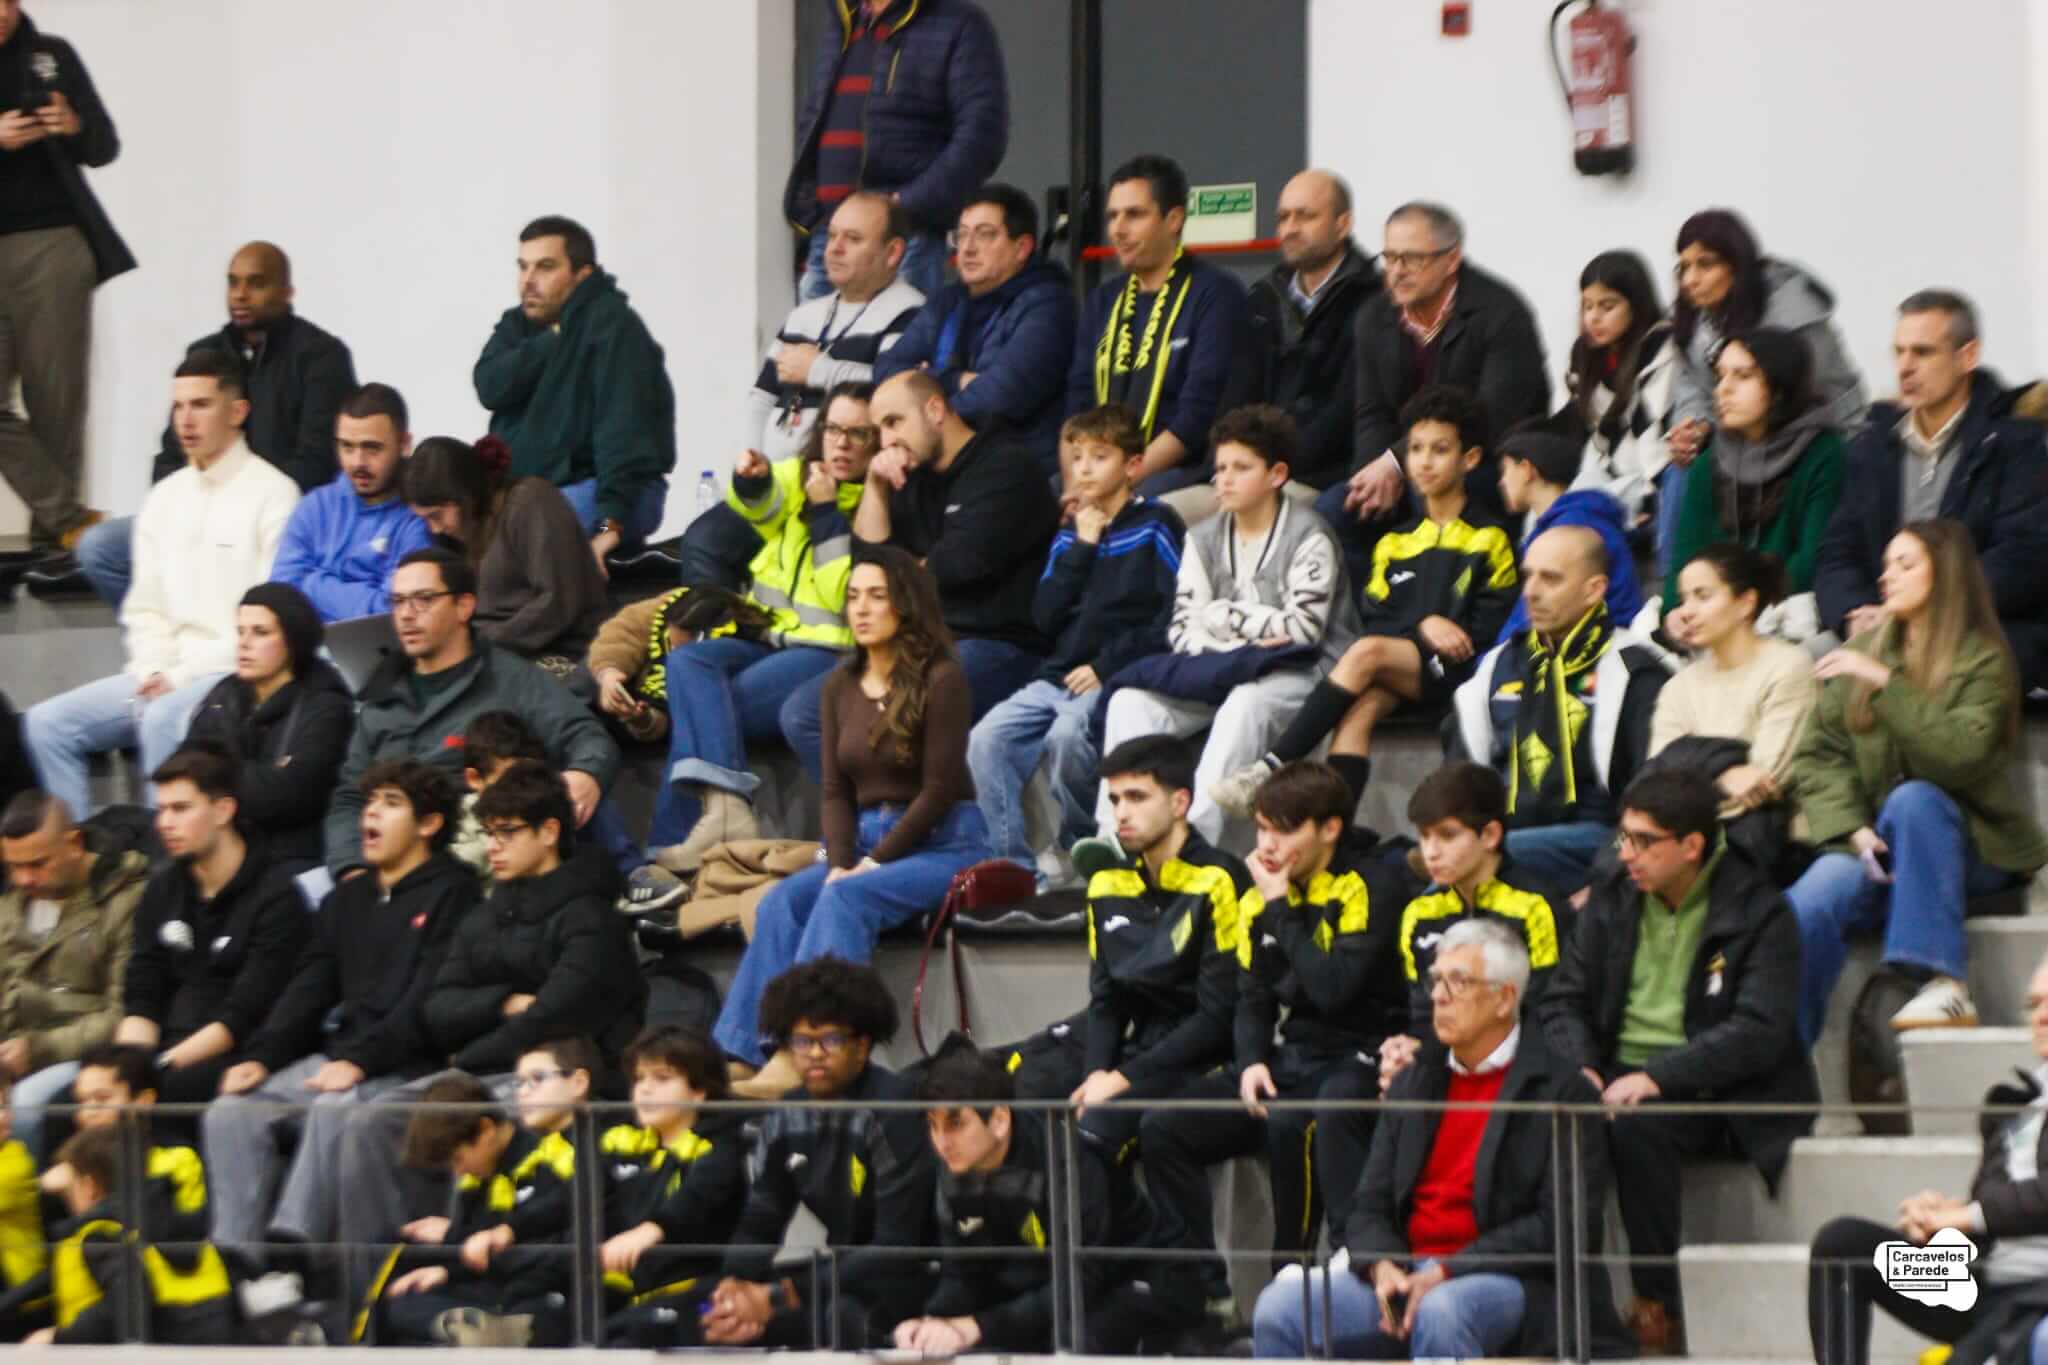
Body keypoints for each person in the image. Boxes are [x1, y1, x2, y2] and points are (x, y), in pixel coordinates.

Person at [1248, 918, 1629, 1361]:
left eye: (1458, 982)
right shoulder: (1415, 1081)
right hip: (1406, 1270)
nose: (1438, 996)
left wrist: (1447, 1270)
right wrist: (1382, 1265)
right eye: (1436, 980)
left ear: (1505, 998)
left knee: (1442, 1312)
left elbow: (1562, 1225)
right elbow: (1369, 1203)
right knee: (1280, 1308)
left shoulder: (1562, 1092)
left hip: (1509, 1280)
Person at [1537, 768, 1816, 1354]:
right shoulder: (1612, 893)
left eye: (1643, 841)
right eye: (1623, 838)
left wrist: (1657, 1077)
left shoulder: (1758, 910)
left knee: (1639, 1128)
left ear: (1691, 846)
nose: (1626, 854)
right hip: (1616, 1073)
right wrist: (1583, 1066)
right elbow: (1563, 997)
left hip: (1723, 1091)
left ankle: (1657, 1300)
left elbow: (1757, 1032)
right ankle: (1559, 1303)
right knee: (1548, 1116)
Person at [332, 761, 644, 1282]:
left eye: (507, 833)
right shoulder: (485, 913)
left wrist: (472, 1054)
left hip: (567, 1083)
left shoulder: (592, 918)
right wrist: (502, 1001)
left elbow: (555, 1015)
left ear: (549, 832)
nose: (493, 846)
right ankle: (374, 1283)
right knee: (370, 1119)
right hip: (487, 1071)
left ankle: (462, 1272)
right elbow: (438, 1008)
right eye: (488, 833)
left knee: (466, 1117)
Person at [1140, 762, 1415, 1315]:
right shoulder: (1260, 895)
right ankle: (1200, 1295)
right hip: (1296, 1054)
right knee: (1163, 1127)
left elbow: (1332, 987)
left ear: (1329, 829)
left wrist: (1281, 909)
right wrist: (1250, 1062)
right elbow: (1253, 996)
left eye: (1283, 830)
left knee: (1297, 1120)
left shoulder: (1369, 886)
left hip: (1362, 1050)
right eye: (1262, 828)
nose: (1267, 845)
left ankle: (1299, 1278)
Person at [712, 550, 992, 1079]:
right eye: (854, 596)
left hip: (944, 841)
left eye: (877, 596)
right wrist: (843, 858)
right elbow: (836, 793)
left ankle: (811, 1048)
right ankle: (743, 1052)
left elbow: (938, 790)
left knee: (845, 895)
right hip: (865, 839)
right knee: (780, 903)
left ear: (905, 605)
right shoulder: (838, 685)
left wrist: (871, 864)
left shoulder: (942, 677)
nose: (861, 609)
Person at [202, 759, 477, 1264]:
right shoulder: (347, 899)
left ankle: (297, 1252)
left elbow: (429, 1001)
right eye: (370, 802)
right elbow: (309, 988)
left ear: (429, 824)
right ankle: (235, 1262)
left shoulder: (456, 892)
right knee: (231, 1111)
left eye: (391, 803)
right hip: (337, 1058)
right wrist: (262, 1056)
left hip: (411, 1067)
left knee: (337, 1107)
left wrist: (362, 1063)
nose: (371, 814)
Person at [1785, 520, 2047, 1041]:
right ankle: (1787, 1052)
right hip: (1878, 848)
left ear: (1946, 573)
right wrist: (1853, 830)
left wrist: (1888, 685)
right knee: (1807, 903)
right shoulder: (1868, 653)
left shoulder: (1985, 660)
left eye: (1906, 564)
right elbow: (1818, 758)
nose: (1887, 577)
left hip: (1973, 849)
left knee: (1915, 799)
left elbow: (1958, 757)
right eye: (1885, 566)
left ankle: (1946, 982)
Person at [23, 351, 300, 820]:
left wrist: (176, 678)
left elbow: (265, 624)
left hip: (230, 673)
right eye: (178, 407)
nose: (185, 420)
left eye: (200, 405)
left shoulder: (274, 494)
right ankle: (91, 866)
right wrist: (153, 666)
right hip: (162, 673)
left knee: (160, 718)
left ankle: (167, 870)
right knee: (47, 724)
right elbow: (145, 607)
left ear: (237, 412)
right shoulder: (165, 497)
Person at [1214, 386, 1517, 813]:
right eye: (1415, 449)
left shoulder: (1492, 536)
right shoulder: (1393, 541)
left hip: (1465, 669)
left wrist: (1430, 634)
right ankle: (1331, 833)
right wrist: (1424, 628)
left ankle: (1269, 766)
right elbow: (1379, 619)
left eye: (1440, 450)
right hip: (1411, 667)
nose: (1424, 461)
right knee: (1359, 708)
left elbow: (1489, 628)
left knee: (1367, 653)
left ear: (1469, 459)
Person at [997, 736, 1247, 1233]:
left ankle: (1146, 1269)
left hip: (1208, 1055)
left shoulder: (1221, 879)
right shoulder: (1108, 884)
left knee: (1093, 1128)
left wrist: (1120, 1080)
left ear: (1180, 803)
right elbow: (1107, 1001)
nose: (1121, 814)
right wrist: (1096, 1072)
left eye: (1137, 797)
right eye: (1114, 800)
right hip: (1138, 1046)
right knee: (1018, 1089)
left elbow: (1218, 1017)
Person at [630, 384, 877, 883]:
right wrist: (753, 480)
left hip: (830, 651)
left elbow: (842, 597)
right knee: (686, 663)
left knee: (705, 708)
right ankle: (728, 808)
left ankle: (673, 843)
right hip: (770, 639)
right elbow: (762, 504)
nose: (842, 443)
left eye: (858, 433)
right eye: (834, 429)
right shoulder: (802, 477)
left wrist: (828, 515)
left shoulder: (872, 502)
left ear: (876, 443)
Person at [1093, 404, 1356, 850]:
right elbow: (1181, 629)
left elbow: (1303, 631)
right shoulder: (1203, 536)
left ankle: (1194, 844)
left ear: (1277, 474)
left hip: (1303, 674)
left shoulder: (1310, 533)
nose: (1225, 479)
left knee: (1246, 703)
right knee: (1130, 703)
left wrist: (1222, 617)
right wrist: (1245, 636)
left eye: (1241, 468)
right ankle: (1114, 841)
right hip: (1219, 669)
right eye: (1220, 468)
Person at [787, 367, 1057, 752]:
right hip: (921, 644)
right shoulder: (907, 474)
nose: (888, 441)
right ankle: (866, 814)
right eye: (880, 429)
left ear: (934, 410)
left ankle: (906, 813)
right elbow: (869, 570)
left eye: (895, 422)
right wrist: (877, 489)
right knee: (804, 714)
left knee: (892, 712)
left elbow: (955, 569)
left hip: (997, 644)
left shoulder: (1005, 467)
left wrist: (908, 572)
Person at [72, 242, 357, 605]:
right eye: (233, 283)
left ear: (287, 292)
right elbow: (171, 455)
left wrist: (242, 506)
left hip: (277, 521)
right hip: (200, 516)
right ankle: (175, 638)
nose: (240, 295)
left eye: (256, 283)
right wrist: (180, 507)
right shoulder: (205, 354)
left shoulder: (321, 357)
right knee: (99, 547)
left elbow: (317, 464)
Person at [968, 405, 1183, 878]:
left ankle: (1079, 846)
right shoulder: (1069, 534)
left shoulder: (1158, 524)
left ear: (1132, 466)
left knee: (1068, 735)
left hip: (1118, 675)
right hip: (1055, 676)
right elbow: (1043, 618)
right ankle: (1011, 867)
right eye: (1078, 456)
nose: (1083, 468)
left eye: (1099, 456)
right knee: (986, 739)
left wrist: (1107, 667)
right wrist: (1082, 547)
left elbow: (1172, 618)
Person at [319, 549, 621, 886]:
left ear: (464, 606)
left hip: (474, 862)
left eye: (423, 599)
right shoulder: (380, 696)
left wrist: (585, 774)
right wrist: (352, 869)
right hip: (389, 869)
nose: (406, 615)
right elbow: (349, 796)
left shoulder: (510, 679)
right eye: (398, 601)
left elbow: (585, 736)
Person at [1808, 949, 2048, 1365]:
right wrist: (1942, 1218)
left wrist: (1968, 1216)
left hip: (2036, 1294)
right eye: (2034, 1005)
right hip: (1980, 1285)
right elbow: (1995, 1208)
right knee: (1843, 1246)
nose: (2041, 1017)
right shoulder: (2018, 1104)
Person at [895, 1038, 1191, 1355]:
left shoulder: (1063, 1159)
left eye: (955, 1124)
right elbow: (961, 1272)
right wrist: (935, 1323)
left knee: (1069, 1342)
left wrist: (980, 1326)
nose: (941, 1142)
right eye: (932, 1125)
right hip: (1041, 1290)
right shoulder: (955, 1167)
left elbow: (1082, 1282)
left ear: (998, 1120)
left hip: (1127, 1281)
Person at [699, 960, 937, 1349]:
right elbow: (761, 1221)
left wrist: (778, 1297)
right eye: (801, 1042)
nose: (814, 1054)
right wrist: (736, 1287)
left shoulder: (894, 1110)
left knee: (840, 1316)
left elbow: (897, 1246)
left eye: (831, 1040)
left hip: (913, 1274)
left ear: (863, 1046)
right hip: (844, 1270)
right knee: (708, 1314)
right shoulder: (787, 1115)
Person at [1817, 290, 2048, 687]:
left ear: (1967, 357)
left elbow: (2023, 557)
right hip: (1882, 627)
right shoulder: (1871, 449)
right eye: (1899, 352)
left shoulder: (2017, 445)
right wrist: (1854, 612)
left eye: (1923, 353)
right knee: (1802, 663)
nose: (1905, 367)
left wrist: (1924, 606)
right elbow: (1838, 552)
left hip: (1978, 631)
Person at [1319, 201, 1548, 582]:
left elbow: (1490, 418)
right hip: (1409, 462)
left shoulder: (1500, 313)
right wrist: (1371, 475)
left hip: (1483, 464)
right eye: (1389, 258)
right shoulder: (1375, 317)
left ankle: (1439, 622)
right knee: (1335, 510)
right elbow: (1370, 413)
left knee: (1426, 495)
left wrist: (1397, 464)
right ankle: (1374, 620)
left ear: (1451, 259)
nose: (1396, 271)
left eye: (1412, 259)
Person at [1450, 525, 1671, 892]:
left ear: (1594, 590)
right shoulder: (1498, 665)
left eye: (1550, 579)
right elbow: (1459, 774)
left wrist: (1610, 873)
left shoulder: (1634, 668)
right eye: (1528, 576)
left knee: (1477, 861)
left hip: (1601, 838)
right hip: (1502, 832)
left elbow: (1654, 792)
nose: (1531, 592)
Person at [0, 0, 129, 565]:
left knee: (58, 403)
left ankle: (57, 550)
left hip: (52, 240)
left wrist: (72, 126)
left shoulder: (51, 56)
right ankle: (69, 520)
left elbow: (104, 145)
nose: (3, 11)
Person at [113, 746, 310, 1112]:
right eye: (161, 810)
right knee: (80, 1099)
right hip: (165, 1049)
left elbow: (244, 1012)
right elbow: (143, 987)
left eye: (180, 809)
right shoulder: (162, 887)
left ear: (223, 810)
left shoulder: (277, 896)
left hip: (235, 1054)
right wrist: (126, 1067)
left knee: (164, 1096)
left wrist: (156, 1070)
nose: (164, 823)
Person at [474, 215, 675, 566]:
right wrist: (553, 340)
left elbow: (622, 434)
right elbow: (490, 386)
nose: (528, 281)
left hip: (611, 492)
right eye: (523, 267)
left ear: (582, 275)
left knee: (527, 529)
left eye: (545, 268)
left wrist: (609, 523)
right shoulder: (518, 324)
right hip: (533, 490)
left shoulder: (614, 328)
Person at [366, 1049, 590, 1349]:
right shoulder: (477, 1178)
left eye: (459, 1159)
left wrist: (453, 1239)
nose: (459, 1171)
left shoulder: (551, 1157)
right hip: (488, 1289)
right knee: (400, 1291)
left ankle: (478, 1329)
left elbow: (548, 1254)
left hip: (537, 1293)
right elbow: (471, 1252)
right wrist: (445, 1268)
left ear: (485, 1130)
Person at [786, 0, 1007, 302]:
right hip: (830, 235)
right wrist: (813, 206)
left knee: (899, 346)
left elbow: (981, 138)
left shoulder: (959, 24)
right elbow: (815, 118)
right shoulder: (845, 20)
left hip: (905, 238)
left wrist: (903, 207)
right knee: (810, 347)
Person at [1374, 762, 1565, 1097]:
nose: (1431, 852)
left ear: (1490, 835)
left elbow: (1547, 1011)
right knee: (1393, 1084)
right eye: (1424, 836)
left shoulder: (1536, 907)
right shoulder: (1420, 913)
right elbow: (1421, 1011)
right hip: (1446, 1059)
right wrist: (1406, 1049)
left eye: (1447, 835)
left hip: (1520, 1066)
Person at [1067, 153, 1250, 497]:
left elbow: (1195, 419)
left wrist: (1118, 482)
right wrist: (1074, 482)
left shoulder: (1215, 294)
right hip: (1099, 468)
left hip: (1180, 471)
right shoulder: (1103, 300)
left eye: (1134, 215)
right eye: (1113, 216)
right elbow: (1077, 404)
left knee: (1140, 508)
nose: (1117, 229)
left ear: (1174, 219)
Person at [1663, 327, 1847, 635]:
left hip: (1785, 618)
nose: (1723, 390)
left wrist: (1734, 607)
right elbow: (1685, 554)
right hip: (1713, 617)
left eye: (1743, 376)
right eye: (1721, 376)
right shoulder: (1710, 461)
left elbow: (1811, 558)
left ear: (1779, 387)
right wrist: (1674, 611)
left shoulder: (1823, 454)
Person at [874, 182, 1074, 460]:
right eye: (962, 235)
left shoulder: (1049, 305)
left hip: (1016, 464)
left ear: (1022, 248)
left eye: (985, 235)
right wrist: (955, 380)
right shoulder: (948, 300)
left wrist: (927, 392)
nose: (967, 249)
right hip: (946, 459)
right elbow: (886, 369)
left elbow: (1001, 397)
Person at [0, 789, 146, 1160]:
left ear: (74, 842)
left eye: (37, 864)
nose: (24, 879)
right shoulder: (11, 907)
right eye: (13, 867)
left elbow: (120, 1013)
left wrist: (37, 1049)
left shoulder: (125, 899)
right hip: (11, 1052)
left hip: (81, 1055)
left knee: (26, 1108)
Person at [1666, 208, 1867, 474]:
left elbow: (1809, 402)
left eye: (1705, 264)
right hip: (1748, 443)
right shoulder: (1698, 317)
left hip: (1828, 443)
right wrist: (1694, 426)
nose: (1690, 280)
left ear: (1736, 265)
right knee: (1684, 470)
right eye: (1684, 267)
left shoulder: (1795, 313)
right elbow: (1691, 384)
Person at [180, 584, 353, 876]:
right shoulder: (225, 695)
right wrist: (260, 776)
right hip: (224, 851)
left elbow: (289, 796)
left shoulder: (326, 705)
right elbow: (184, 774)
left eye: (260, 632)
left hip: (293, 859)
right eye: (241, 632)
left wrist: (217, 772)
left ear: (293, 639)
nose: (244, 644)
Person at [403, 435, 608, 681]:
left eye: (436, 515)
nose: (434, 528)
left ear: (464, 496)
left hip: (562, 652)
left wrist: (477, 646)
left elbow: (558, 602)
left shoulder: (529, 502)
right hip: (492, 654)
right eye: (425, 519)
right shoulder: (457, 536)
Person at [597, 1028, 750, 1347]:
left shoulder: (721, 1146)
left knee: (622, 1338)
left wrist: (651, 1230)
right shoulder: (620, 1143)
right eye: (639, 1079)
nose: (645, 1090)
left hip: (700, 1293)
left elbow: (697, 1198)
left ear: (699, 1092)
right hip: (624, 1294)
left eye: (662, 1078)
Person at [21, 1125, 235, 1346]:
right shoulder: (185, 1227)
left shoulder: (101, 1234)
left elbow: (129, 1300)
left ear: (89, 1186)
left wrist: (57, 1337)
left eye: (69, 1190)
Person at [1240, 169, 1381, 499]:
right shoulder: (1261, 300)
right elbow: (1238, 397)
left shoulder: (1375, 302)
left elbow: (1347, 410)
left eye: (1305, 216)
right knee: (1172, 511)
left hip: (1326, 477)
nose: (1290, 229)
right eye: (1283, 217)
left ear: (1342, 224)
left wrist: (1273, 466)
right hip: (1253, 472)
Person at [754, 193, 926, 462]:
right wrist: (753, 467)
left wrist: (819, 371)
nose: (835, 248)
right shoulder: (802, 316)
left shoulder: (911, 311)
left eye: (853, 239)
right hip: (775, 484)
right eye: (832, 235)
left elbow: (894, 391)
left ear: (892, 253)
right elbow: (762, 398)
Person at [1651, 543, 1816, 819]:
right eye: (1684, 599)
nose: (1686, 611)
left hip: (1767, 841)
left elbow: (1765, 783)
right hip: (1686, 839)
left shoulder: (1788, 667)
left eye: (1702, 596)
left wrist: (1694, 780)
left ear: (1746, 603)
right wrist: (1724, 776)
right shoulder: (1677, 687)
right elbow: (1656, 781)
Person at [269, 382, 433, 621]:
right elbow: (281, 599)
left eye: (372, 448)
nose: (358, 462)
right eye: (347, 447)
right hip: (307, 653)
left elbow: (393, 613)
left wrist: (312, 582)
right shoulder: (314, 507)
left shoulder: (418, 517)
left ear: (404, 444)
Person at [1561, 249, 1681, 557]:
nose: (1594, 317)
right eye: (1587, 306)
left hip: (1653, 478)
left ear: (1636, 306)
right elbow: (1593, 436)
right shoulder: (1585, 355)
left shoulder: (1659, 348)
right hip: (1609, 476)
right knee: (1557, 518)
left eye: (1607, 306)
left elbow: (1651, 433)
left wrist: (1647, 503)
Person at [1493, 416, 1642, 643]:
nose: (1501, 482)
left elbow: (1525, 628)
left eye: (1505, 470)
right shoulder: (1568, 522)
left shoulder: (1574, 528)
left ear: (1526, 470)